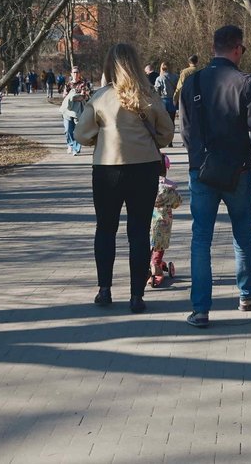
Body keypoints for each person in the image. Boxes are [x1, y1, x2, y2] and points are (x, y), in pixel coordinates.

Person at [178, 25, 251, 328]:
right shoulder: (246, 83)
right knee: (243, 235)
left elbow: (186, 129)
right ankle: (246, 294)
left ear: (213, 46)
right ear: (236, 48)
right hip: (238, 170)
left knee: (200, 239)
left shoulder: (192, 83)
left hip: (202, 170)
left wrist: (196, 161)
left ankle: (201, 309)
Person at [75, 43, 174, 313]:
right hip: (143, 168)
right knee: (139, 232)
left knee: (105, 229)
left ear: (110, 66)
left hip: (108, 168)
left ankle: (104, 289)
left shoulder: (100, 97)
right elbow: (166, 133)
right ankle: (136, 295)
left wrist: (101, 137)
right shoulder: (149, 95)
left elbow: (80, 135)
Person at [149, 154, 182, 288]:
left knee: (151, 244)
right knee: (159, 245)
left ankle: (152, 263)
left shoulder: (145, 185)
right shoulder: (168, 189)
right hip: (163, 222)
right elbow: (177, 202)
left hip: (147, 220)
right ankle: (155, 267)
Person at [60, 66, 92, 155]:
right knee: (67, 130)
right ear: (71, 74)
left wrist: (73, 97)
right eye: (74, 72)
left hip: (79, 110)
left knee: (78, 130)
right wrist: (74, 96)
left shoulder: (83, 84)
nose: (75, 74)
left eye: (77, 72)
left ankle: (76, 149)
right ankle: (70, 144)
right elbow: (64, 96)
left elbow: (85, 96)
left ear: (79, 74)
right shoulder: (68, 84)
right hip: (68, 110)